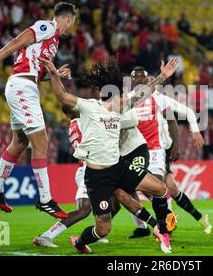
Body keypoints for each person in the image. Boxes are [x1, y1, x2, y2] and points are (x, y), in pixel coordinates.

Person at [39, 56, 179, 254]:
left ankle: (163, 230)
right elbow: (62, 96)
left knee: (160, 188)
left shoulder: (118, 108)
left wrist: (161, 77)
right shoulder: (88, 106)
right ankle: (79, 243)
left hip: (118, 167)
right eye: (120, 93)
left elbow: (143, 94)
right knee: (103, 229)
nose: (124, 97)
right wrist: (54, 75)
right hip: (98, 178)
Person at [0, 2, 77, 219]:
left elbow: (36, 72)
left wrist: (55, 74)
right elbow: (16, 42)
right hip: (22, 87)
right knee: (41, 143)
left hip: (25, 85)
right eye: (72, 22)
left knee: (20, 142)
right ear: (68, 19)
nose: (71, 28)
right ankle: (45, 199)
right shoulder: (47, 27)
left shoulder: (52, 42)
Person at [33, 108, 162, 248]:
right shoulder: (85, 122)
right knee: (84, 210)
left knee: (118, 200)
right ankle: (47, 236)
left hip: (96, 169)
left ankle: (151, 225)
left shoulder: (74, 125)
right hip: (91, 170)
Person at [128, 67, 212, 237]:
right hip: (135, 154)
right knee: (169, 189)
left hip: (157, 152)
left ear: (147, 81)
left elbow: (183, 113)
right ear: (131, 82)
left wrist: (191, 133)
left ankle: (166, 223)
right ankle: (196, 217)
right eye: (134, 78)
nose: (138, 80)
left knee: (158, 188)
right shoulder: (127, 100)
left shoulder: (157, 98)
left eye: (141, 77)